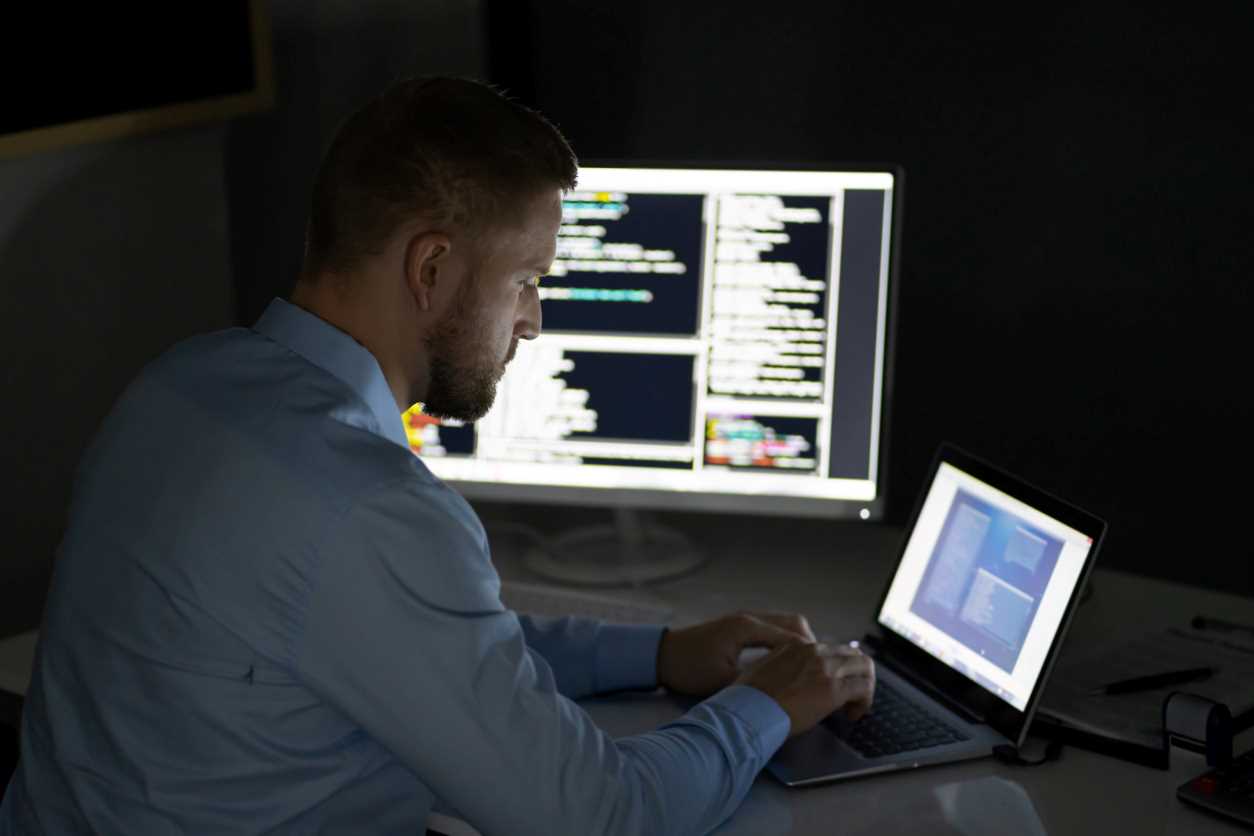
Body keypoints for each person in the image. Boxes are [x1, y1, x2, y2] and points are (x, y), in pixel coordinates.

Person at [0, 77, 874, 836]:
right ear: (432, 268)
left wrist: (655, 653)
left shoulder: (178, 386)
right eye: (527, 280)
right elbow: (609, 817)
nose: (534, 320)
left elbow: (413, 642)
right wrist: (771, 703)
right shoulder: (366, 506)